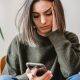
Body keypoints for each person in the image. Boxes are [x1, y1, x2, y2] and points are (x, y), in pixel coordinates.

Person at [2, 0, 80, 80]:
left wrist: (57, 36)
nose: (43, 21)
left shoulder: (70, 38)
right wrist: (28, 77)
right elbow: (7, 77)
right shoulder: (19, 41)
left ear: (58, 13)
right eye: (36, 16)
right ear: (30, 18)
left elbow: (72, 72)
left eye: (49, 13)